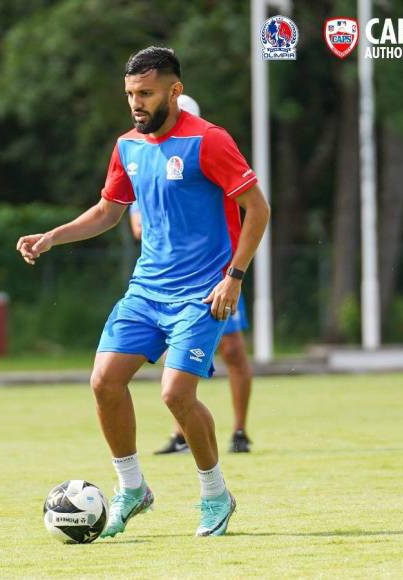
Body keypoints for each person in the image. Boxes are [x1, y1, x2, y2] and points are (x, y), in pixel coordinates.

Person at [16, 47, 270, 538]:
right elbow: (108, 211)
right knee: (103, 381)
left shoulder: (209, 141)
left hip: (202, 293)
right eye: (131, 93)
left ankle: (215, 493)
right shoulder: (127, 145)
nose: (136, 102)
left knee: (176, 394)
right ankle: (133, 489)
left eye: (146, 93)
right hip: (146, 291)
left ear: (174, 92)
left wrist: (234, 277)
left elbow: (257, 209)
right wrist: (53, 236)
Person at [128, 95, 254, 455]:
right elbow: (136, 223)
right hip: (168, 281)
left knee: (232, 350)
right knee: (173, 358)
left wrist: (234, 273)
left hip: (217, 276)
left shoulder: (207, 155)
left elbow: (251, 206)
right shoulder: (143, 158)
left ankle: (240, 430)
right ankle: (180, 434)